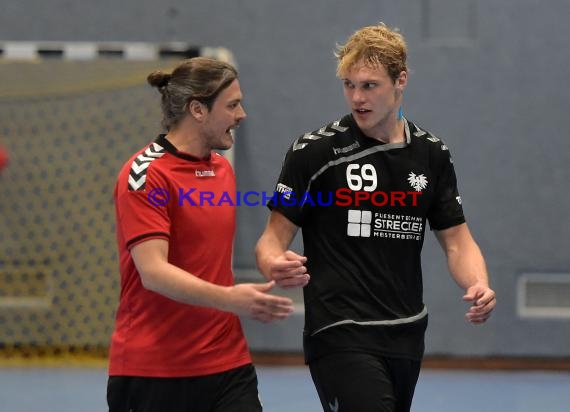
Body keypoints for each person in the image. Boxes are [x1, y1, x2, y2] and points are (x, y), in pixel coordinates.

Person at [255, 22, 496, 412]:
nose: (356, 97)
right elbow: (270, 241)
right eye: (349, 85)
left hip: (406, 332)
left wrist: (479, 284)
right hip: (338, 330)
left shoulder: (432, 155)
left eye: (369, 85)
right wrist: (274, 263)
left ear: (400, 80)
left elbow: (457, 240)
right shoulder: (314, 153)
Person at [107, 57, 294, 412]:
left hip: (226, 363)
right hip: (153, 369)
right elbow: (153, 272)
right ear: (197, 109)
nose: (242, 115)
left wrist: (276, 263)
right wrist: (230, 299)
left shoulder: (221, 169)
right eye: (232, 105)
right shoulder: (146, 174)